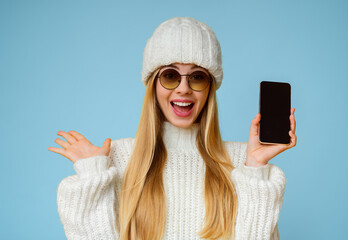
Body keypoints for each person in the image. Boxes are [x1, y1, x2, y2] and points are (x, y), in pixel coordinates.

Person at [49, 16, 297, 240]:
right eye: (170, 75)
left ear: (210, 87)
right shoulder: (115, 159)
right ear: (153, 86)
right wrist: (93, 175)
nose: (183, 89)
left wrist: (254, 172)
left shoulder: (242, 162)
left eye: (197, 76)